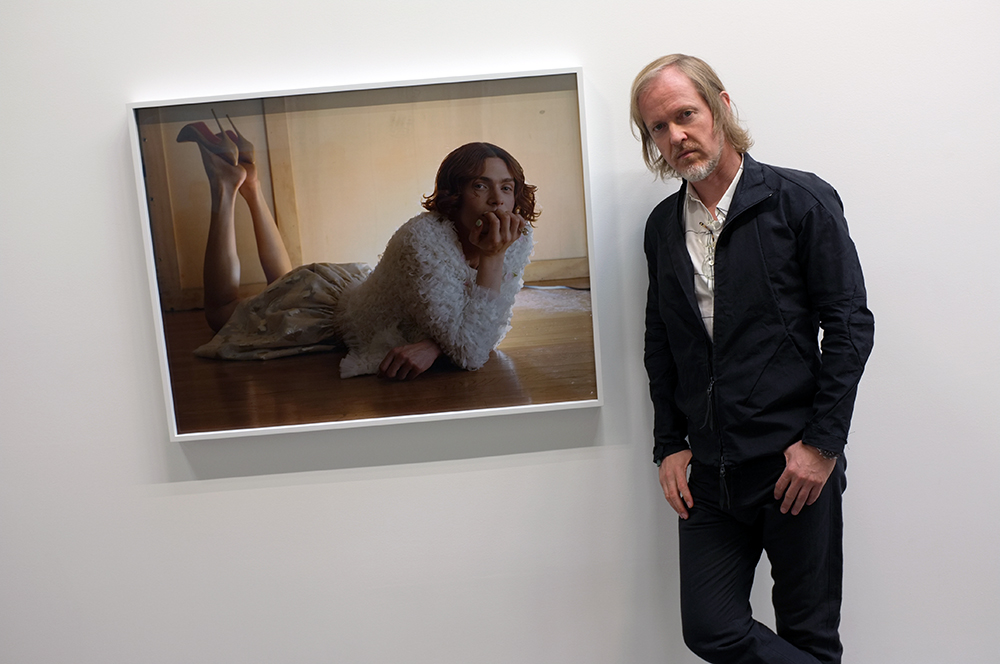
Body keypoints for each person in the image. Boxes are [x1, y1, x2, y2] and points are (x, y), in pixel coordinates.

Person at [631, 54, 874, 663]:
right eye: (658, 127)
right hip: (709, 475)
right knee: (710, 629)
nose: (675, 136)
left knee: (808, 637)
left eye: (685, 115)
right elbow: (662, 340)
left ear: (720, 106)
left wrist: (821, 446)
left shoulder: (799, 200)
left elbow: (849, 326)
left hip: (795, 467)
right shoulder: (662, 227)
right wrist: (669, 444)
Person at [176, 115, 535, 380]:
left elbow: (486, 328)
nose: (497, 201)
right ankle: (225, 186)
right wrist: (493, 257)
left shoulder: (516, 236)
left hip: (348, 288)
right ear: (454, 195)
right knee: (221, 314)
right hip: (323, 311)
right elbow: (471, 350)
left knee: (279, 285)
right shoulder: (423, 239)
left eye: (506, 188)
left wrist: (434, 346)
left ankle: (251, 183)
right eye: (480, 186)